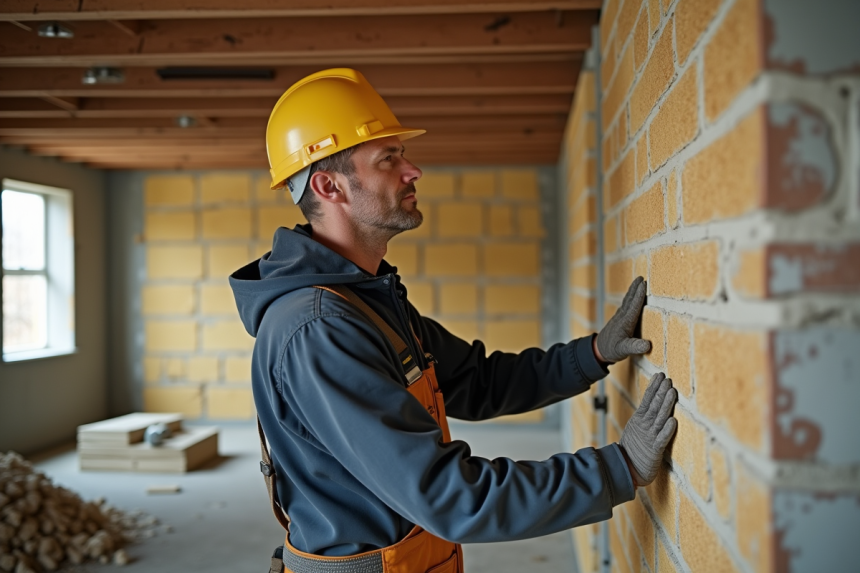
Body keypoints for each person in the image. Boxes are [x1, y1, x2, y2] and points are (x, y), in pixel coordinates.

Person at [229, 68, 678, 573]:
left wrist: (592, 354)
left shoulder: (366, 301)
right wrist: (617, 469)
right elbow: (449, 497)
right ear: (329, 186)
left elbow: (476, 380)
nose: (412, 170)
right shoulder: (318, 329)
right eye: (388, 158)